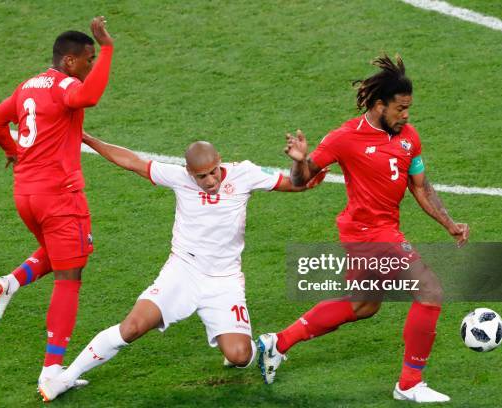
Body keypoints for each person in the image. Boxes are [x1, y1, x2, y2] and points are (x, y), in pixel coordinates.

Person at [38, 133, 326, 401]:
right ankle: (67, 377)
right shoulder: (178, 177)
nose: (211, 180)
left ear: (219, 161)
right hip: (183, 271)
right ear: (190, 173)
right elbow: (131, 161)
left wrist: (301, 162)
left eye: (214, 171)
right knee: (133, 327)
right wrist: (87, 138)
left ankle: (266, 345)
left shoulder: (244, 174)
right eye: (202, 176)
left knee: (240, 356)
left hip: (224, 281)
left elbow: (296, 184)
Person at [257, 55, 470, 403]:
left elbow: (420, 185)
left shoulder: (408, 137)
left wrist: (449, 224)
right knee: (430, 290)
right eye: (400, 108)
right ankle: (409, 383)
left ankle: (276, 343)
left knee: (362, 305)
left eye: (409, 108)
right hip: (367, 233)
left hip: (381, 230)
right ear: (377, 104)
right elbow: (303, 179)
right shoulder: (345, 137)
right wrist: (298, 163)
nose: (406, 115)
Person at [0, 16, 114, 386]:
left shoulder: (27, 86)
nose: (90, 67)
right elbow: (89, 96)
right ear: (70, 61)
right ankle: (52, 372)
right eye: (88, 60)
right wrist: (108, 48)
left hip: (26, 194)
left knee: (62, 254)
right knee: (70, 276)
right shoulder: (64, 86)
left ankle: (10, 283)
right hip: (59, 196)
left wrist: (13, 151)